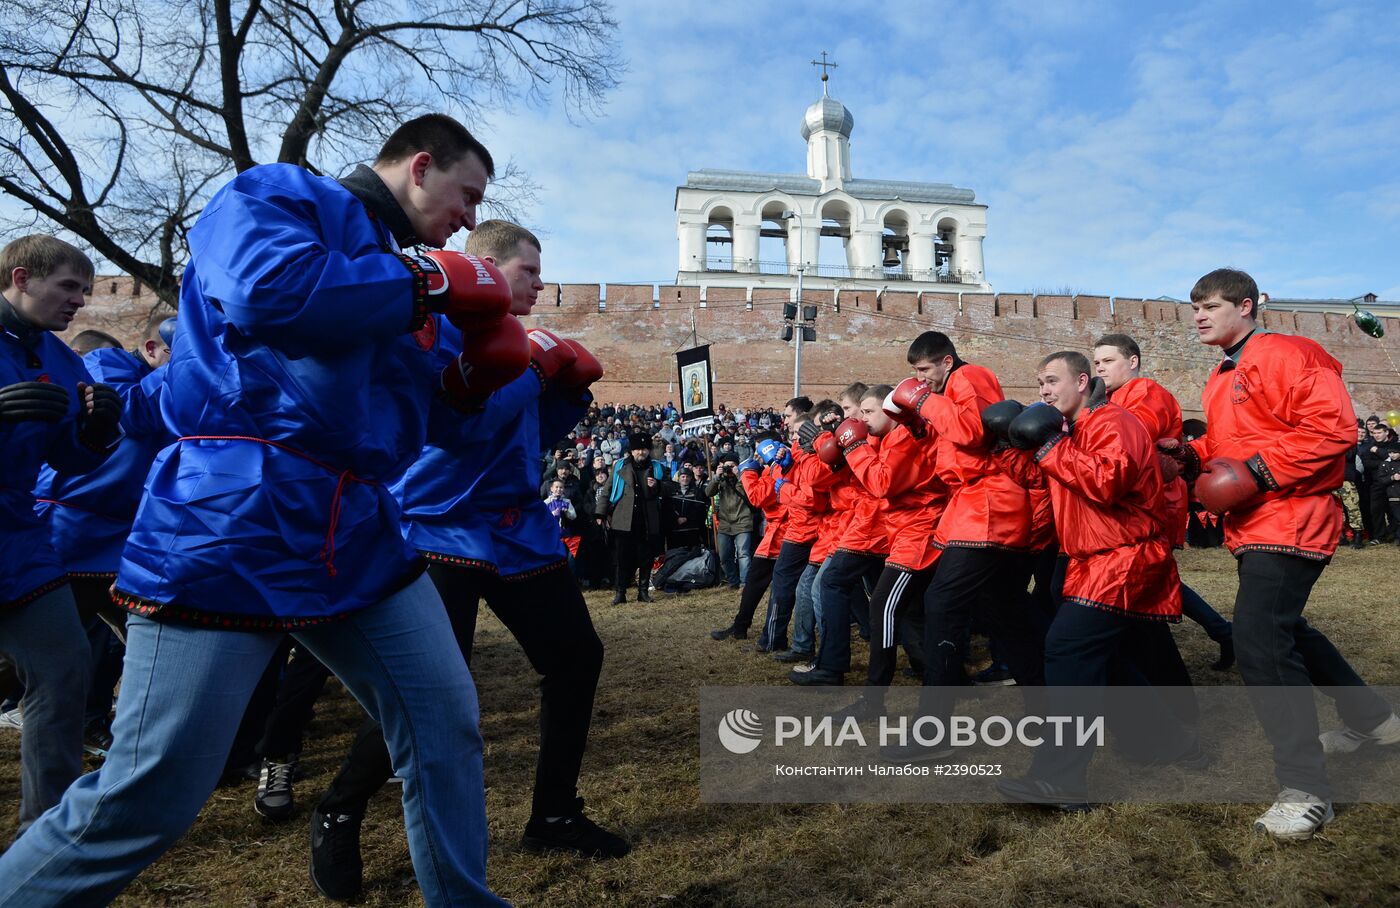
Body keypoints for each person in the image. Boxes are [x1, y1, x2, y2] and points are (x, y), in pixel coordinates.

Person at [0, 117, 515, 906]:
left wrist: (478, 378)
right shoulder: (278, 194)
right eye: (467, 194)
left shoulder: (412, 281)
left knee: (445, 725)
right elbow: (268, 295)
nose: (472, 219)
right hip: (231, 521)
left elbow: (446, 432)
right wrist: (424, 286)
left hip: (356, 533)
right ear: (420, 167)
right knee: (147, 793)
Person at [1169, 267, 1400, 841]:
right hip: (1255, 521)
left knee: (1260, 642)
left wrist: (1256, 471)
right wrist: (1190, 454)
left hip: (1292, 517)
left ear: (1247, 306)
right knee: (1285, 627)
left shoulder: (1291, 352)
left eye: (1211, 306)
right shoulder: (1222, 375)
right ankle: (1375, 721)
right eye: (1194, 307)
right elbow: (1233, 443)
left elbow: (1332, 430)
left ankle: (1306, 790)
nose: (1199, 316)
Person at [988, 353, 1198, 807]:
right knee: (1103, 658)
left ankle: (1060, 779)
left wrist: (1049, 445)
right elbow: (1043, 479)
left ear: (1083, 381)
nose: (1043, 391)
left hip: (1123, 556)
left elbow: (1107, 482)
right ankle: (1168, 740)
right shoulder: (1072, 431)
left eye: (1052, 381)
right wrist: (1005, 447)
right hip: (1090, 558)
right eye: (1040, 383)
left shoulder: (1114, 421)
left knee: (1067, 650)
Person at [0, 234, 121, 837]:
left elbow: (69, 460)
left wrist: (97, 435)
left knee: (65, 666)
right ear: (22, 278)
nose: (80, 301)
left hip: (18, 538)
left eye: (86, 290)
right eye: (69, 286)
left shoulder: (64, 360)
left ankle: (44, 834)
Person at [1093, 333, 1234, 670]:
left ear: (1132, 361)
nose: (1100, 368)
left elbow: (1129, 438)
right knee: (1154, 584)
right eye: (1097, 362)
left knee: (1151, 582)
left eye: (1108, 361)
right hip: (1139, 502)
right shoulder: (1115, 397)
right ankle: (1222, 634)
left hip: (1154, 503)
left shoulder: (1144, 392)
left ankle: (1217, 638)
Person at [710, 432, 789, 641]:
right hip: (776, 533)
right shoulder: (771, 469)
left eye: (759, 449)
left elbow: (757, 497)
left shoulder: (778, 468)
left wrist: (746, 473)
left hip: (784, 533)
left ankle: (771, 636)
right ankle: (741, 626)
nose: (756, 455)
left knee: (785, 587)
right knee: (756, 581)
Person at [608, 432, 668, 603]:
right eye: (637, 449)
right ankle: (620, 593)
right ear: (631, 451)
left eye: (644, 449)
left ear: (649, 450)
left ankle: (643, 592)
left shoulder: (657, 467)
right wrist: (600, 513)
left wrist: (657, 485)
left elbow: (670, 488)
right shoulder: (620, 466)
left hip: (647, 520)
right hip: (624, 519)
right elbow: (607, 489)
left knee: (646, 558)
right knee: (622, 558)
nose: (641, 452)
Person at [706, 455, 753, 588]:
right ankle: (733, 581)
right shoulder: (721, 479)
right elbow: (708, 493)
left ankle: (744, 583)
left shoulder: (743, 478)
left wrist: (739, 475)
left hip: (743, 520)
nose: (729, 469)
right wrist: (716, 477)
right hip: (725, 523)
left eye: (732, 466)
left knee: (743, 554)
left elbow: (750, 492)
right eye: (727, 466)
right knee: (724, 555)